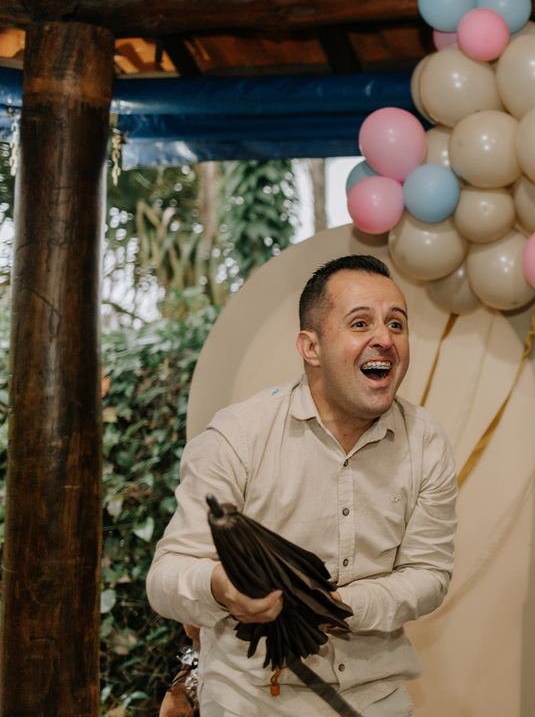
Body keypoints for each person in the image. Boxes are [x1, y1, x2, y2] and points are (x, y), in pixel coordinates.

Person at [148, 254, 458, 717]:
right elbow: (165, 578)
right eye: (360, 323)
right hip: (249, 700)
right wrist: (220, 587)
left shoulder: (426, 440)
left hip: (375, 697)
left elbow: (429, 574)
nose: (385, 338)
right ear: (310, 347)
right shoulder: (238, 435)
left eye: (396, 324)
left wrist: (334, 606)